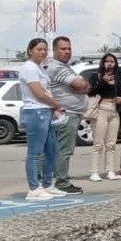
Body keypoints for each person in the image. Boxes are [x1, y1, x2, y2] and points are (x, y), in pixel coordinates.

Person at [18, 38, 66, 200]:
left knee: (52, 150)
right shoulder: (29, 68)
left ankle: (47, 184)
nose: (43, 52)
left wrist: (53, 108)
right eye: (39, 49)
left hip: (45, 110)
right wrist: (56, 105)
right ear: (30, 50)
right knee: (35, 152)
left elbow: (46, 91)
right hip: (35, 111)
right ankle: (33, 188)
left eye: (45, 49)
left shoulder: (39, 68)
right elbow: (39, 93)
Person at [44, 37, 90, 194]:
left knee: (56, 149)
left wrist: (84, 86)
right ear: (54, 50)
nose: (67, 52)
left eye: (69, 48)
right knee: (64, 150)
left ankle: (49, 181)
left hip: (68, 113)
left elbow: (85, 87)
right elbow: (80, 84)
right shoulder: (57, 67)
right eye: (63, 49)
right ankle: (61, 182)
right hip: (66, 114)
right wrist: (83, 85)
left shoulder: (65, 67)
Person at [88, 53, 121, 181]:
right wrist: (103, 81)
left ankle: (110, 170)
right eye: (107, 61)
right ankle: (94, 172)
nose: (109, 64)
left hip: (114, 110)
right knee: (98, 143)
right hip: (101, 109)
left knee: (111, 144)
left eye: (112, 61)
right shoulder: (96, 76)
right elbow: (90, 92)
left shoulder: (119, 77)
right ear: (103, 63)